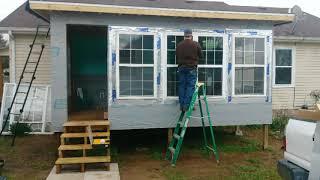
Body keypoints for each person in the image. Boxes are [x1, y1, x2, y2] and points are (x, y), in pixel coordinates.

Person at [176, 29, 203, 112]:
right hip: (191, 68)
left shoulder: (179, 45)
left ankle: (182, 105)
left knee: (182, 86)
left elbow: (177, 56)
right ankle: (186, 106)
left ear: (184, 35)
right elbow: (201, 56)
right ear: (191, 35)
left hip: (181, 68)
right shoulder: (195, 44)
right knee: (190, 87)